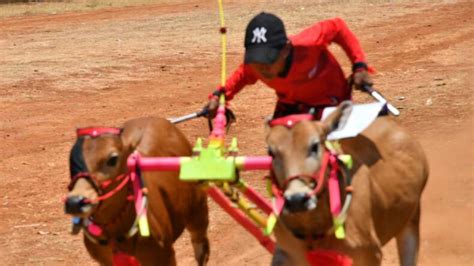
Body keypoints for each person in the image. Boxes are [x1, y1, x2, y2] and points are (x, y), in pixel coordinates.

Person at [206, 12, 374, 120]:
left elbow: (338, 27)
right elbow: (241, 75)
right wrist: (217, 98)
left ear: (286, 50)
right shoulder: (254, 66)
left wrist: (359, 66)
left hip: (331, 103)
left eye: (268, 60)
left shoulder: (309, 43)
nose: (262, 68)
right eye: (256, 61)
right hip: (291, 106)